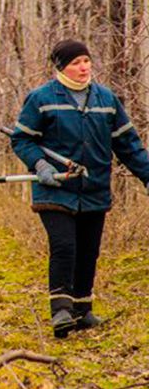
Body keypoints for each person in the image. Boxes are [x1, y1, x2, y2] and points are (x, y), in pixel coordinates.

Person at [10, 39, 149, 338]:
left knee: (89, 250)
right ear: (61, 67)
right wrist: (41, 166)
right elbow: (22, 139)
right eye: (75, 63)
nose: (83, 67)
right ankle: (60, 309)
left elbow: (128, 145)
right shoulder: (42, 99)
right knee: (64, 246)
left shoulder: (107, 100)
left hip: (94, 188)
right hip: (55, 189)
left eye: (86, 61)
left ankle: (82, 310)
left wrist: (147, 174)